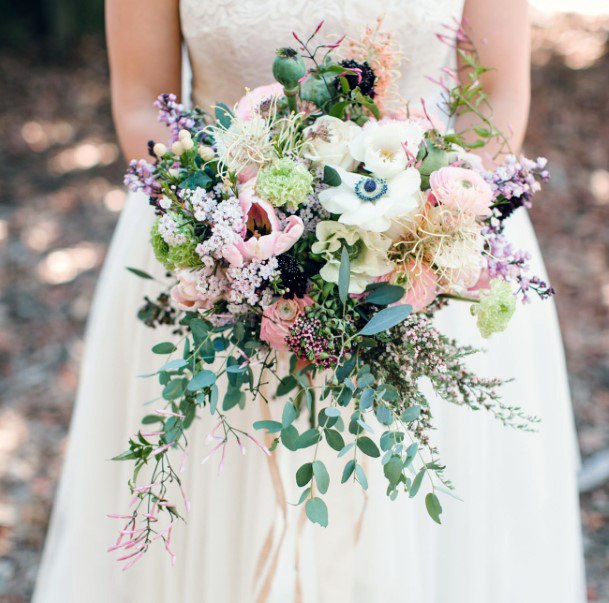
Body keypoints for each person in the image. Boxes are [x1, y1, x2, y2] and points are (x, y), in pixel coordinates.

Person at [33, 0, 587, 601]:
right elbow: (144, 99)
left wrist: (417, 239)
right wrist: (238, 246)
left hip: (429, 259)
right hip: (222, 259)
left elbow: (498, 102)